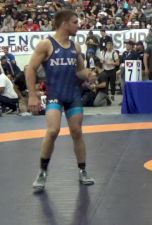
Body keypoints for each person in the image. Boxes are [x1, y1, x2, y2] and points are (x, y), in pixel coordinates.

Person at [25, 10, 97, 191]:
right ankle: (42, 172)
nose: (78, 25)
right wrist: (32, 95)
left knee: (77, 132)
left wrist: (88, 74)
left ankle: (82, 171)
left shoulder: (76, 47)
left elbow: (79, 71)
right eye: (75, 22)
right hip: (55, 94)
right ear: (64, 23)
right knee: (52, 130)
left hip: (72, 95)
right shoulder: (46, 45)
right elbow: (30, 69)